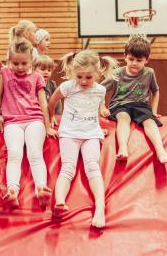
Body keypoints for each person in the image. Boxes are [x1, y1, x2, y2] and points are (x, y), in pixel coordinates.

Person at [48, 50, 118, 228]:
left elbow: (99, 106)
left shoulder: (100, 90)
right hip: (69, 133)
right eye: (80, 76)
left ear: (98, 73)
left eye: (89, 77)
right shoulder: (68, 86)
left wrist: (102, 112)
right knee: (68, 167)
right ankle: (60, 202)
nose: (84, 81)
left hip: (91, 134)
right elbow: (52, 102)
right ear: (72, 72)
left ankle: (100, 208)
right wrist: (49, 122)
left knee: (92, 167)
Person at [0, 40, 58, 209]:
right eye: (15, 63)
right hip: (12, 121)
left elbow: (43, 103)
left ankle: (41, 188)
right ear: (9, 61)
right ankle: (12, 190)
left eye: (24, 63)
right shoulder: (5, 73)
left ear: (31, 61)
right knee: (14, 153)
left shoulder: (36, 77)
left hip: (34, 120)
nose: (20, 67)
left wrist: (48, 125)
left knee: (35, 153)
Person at [101, 37, 167, 163]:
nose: (134, 63)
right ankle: (123, 148)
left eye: (139, 60)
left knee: (150, 121)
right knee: (123, 118)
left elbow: (155, 91)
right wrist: (102, 107)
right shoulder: (117, 73)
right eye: (131, 59)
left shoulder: (149, 73)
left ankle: (160, 150)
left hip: (141, 105)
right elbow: (99, 90)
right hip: (120, 105)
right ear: (125, 57)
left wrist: (154, 111)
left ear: (146, 60)